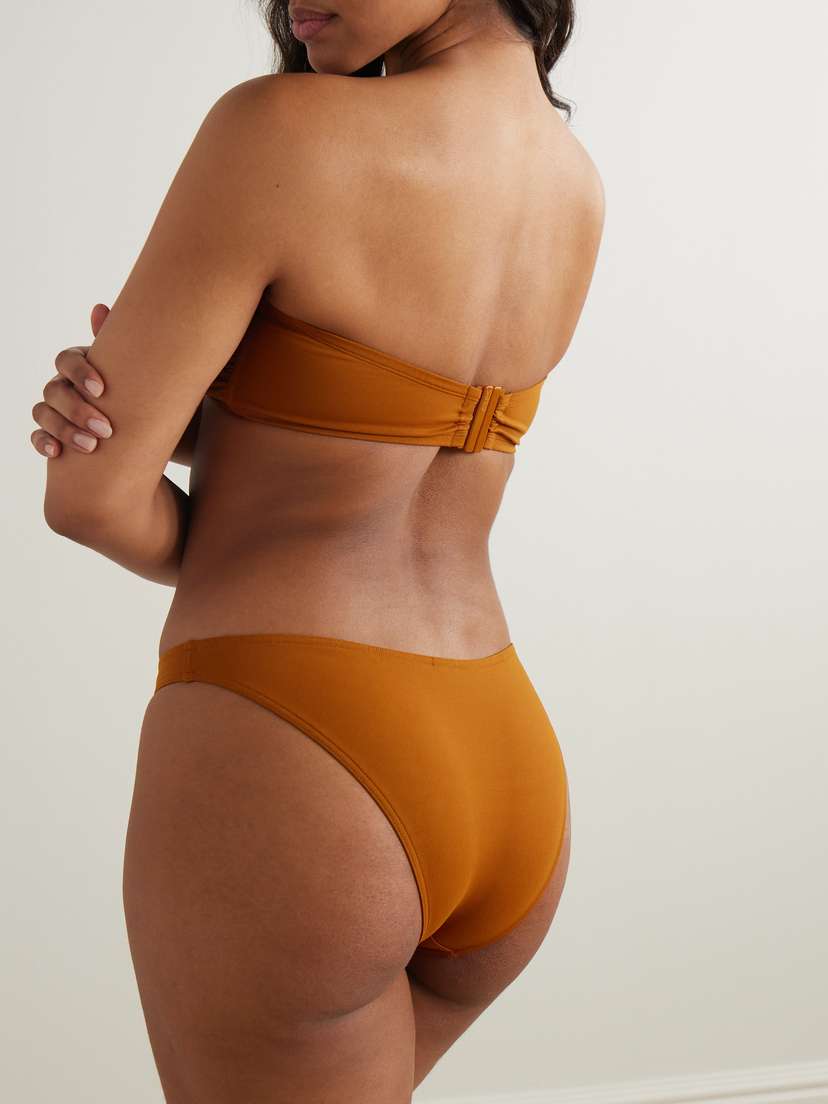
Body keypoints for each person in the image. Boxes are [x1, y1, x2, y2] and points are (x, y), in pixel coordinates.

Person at [31, 1, 604, 1099]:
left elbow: (90, 499)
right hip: (505, 764)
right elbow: (399, 460)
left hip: (300, 752)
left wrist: (176, 454)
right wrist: (232, 436)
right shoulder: (573, 181)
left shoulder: (278, 129)